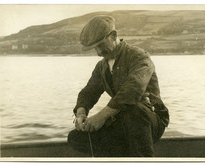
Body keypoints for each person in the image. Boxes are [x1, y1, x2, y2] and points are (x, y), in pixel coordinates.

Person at [68, 15, 169, 157]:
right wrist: (81, 113)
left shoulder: (139, 57)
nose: (98, 53)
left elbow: (133, 90)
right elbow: (88, 92)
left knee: (134, 112)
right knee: (76, 137)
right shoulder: (102, 66)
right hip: (123, 122)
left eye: (101, 45)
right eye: (95, 48)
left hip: (150, 120)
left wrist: (101, 116)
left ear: (113, 35)